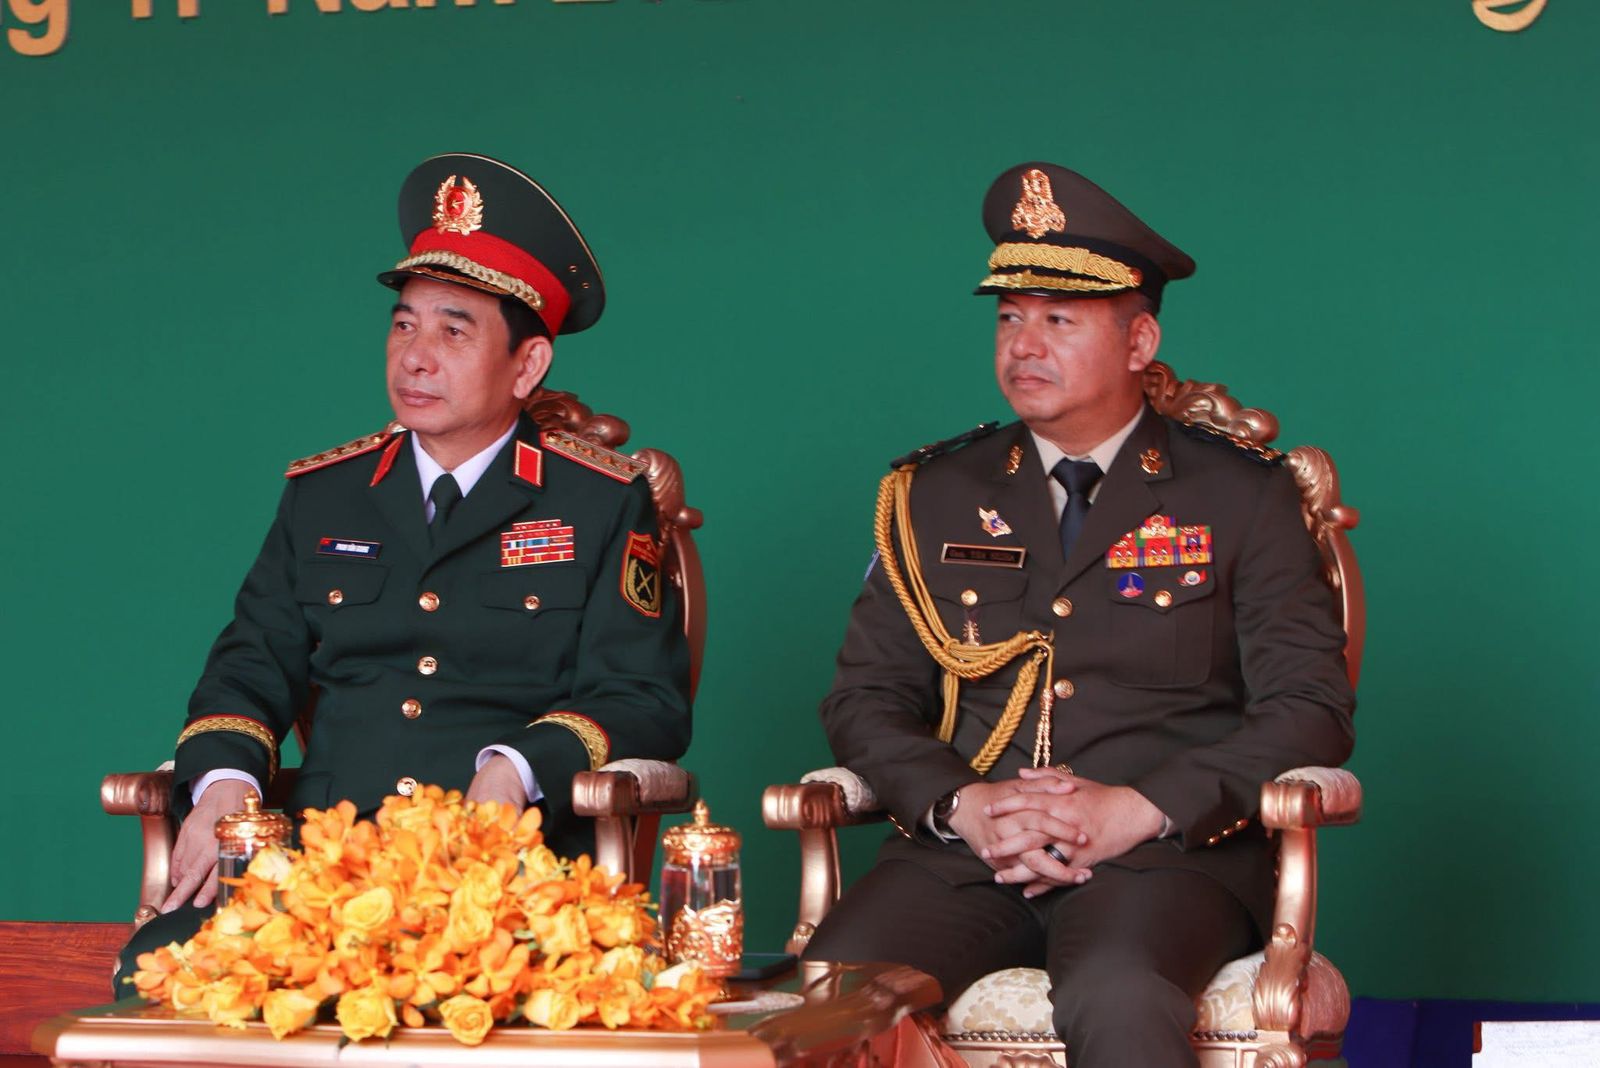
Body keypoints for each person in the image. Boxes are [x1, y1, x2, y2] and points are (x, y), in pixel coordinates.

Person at [801, 162, 1355, 1066]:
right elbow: (865, 697)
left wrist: (1140, 808)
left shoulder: (1240, 495)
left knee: (1118, 996)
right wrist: (966, 805)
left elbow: (1310, 709)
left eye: (1059, 320)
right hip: (970, 854)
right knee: (829, 1000)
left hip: (1162, 859)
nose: (1024, 346)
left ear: (1140, 342)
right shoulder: (933, 492)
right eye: (1009, 318)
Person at [115, 153, 692, 987]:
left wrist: (516, 770)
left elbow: (641, 698)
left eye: (454, 332)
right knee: (157, 973)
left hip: (507, 868)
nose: (416, 358)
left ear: (527, 365)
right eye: (403, 326)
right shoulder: (324, 495)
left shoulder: (598, 501)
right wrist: (225, 784)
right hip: (322, 864)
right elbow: (248, 667)